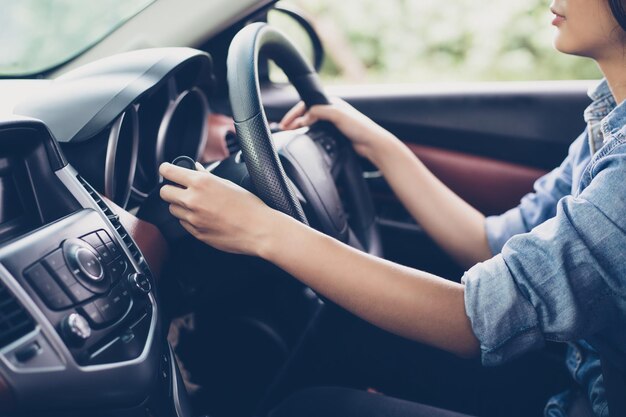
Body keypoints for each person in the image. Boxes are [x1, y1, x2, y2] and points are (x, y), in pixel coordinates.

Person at [159, 0, 626, 415]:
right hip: (576, 379)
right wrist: (380, 144)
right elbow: (493, 243)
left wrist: (264, 231)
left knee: (310, 408)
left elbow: (472, 322)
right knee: (343, 329)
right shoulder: (608, 119)